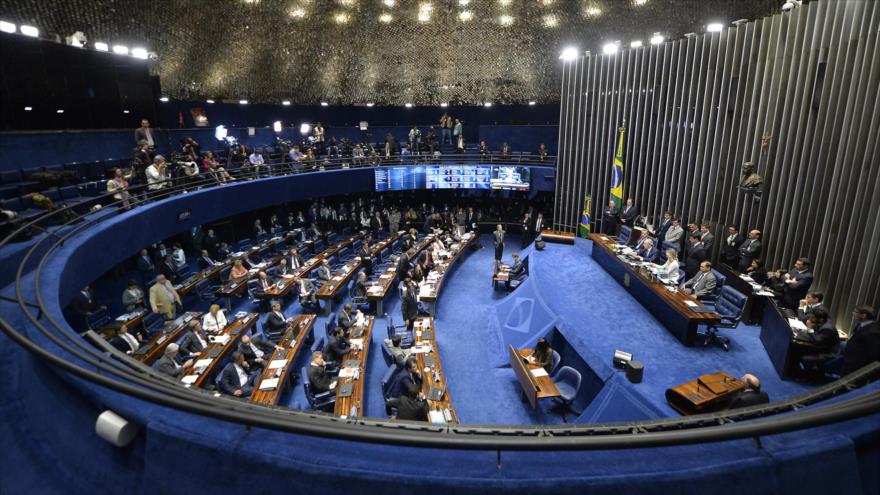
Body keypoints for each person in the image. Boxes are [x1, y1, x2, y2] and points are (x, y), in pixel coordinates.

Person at [796, 309, 840, 379]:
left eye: (813, 318)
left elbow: (817, 341)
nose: (810, 319)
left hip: (828, 354)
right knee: (798, 349)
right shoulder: (823, 323)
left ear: (821, 319)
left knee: (802, 355)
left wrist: (809, 329)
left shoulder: (827, 328)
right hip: (822, 348)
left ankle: (809, 377)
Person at [841, 305, 880, 376]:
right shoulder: (860, 325)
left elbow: (872, 354)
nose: (853, 313)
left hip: (858, 366)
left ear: (864, 315)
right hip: (850, 360)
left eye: (855, 312)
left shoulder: (873, 332)